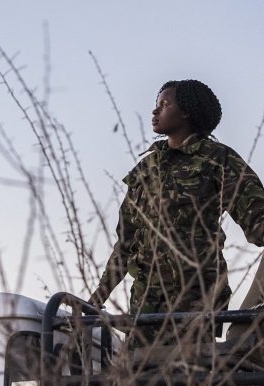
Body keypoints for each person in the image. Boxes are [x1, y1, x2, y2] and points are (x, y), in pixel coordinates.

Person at [90, 79, 264, 334]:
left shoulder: (217, 159)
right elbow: (125, 244)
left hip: (195, 303)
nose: (155, 111)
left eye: (164, 104)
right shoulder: (145, 169)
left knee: (190, 361)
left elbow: (258, 220)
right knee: (137, 362)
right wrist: (96, 300)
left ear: (186, 111)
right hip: (145, 307)